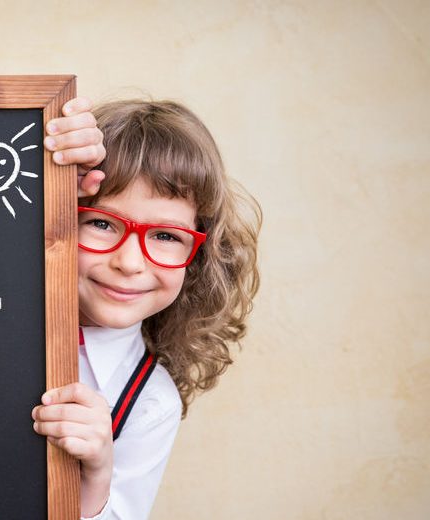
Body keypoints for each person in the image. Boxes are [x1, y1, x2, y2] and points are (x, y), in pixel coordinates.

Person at [38, 98, 261, 519]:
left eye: (165, 236)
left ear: (199, 256)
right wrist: (42, 168)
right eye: (101, 223)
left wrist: (95, 480)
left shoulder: (150, 403)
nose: (129, 262)